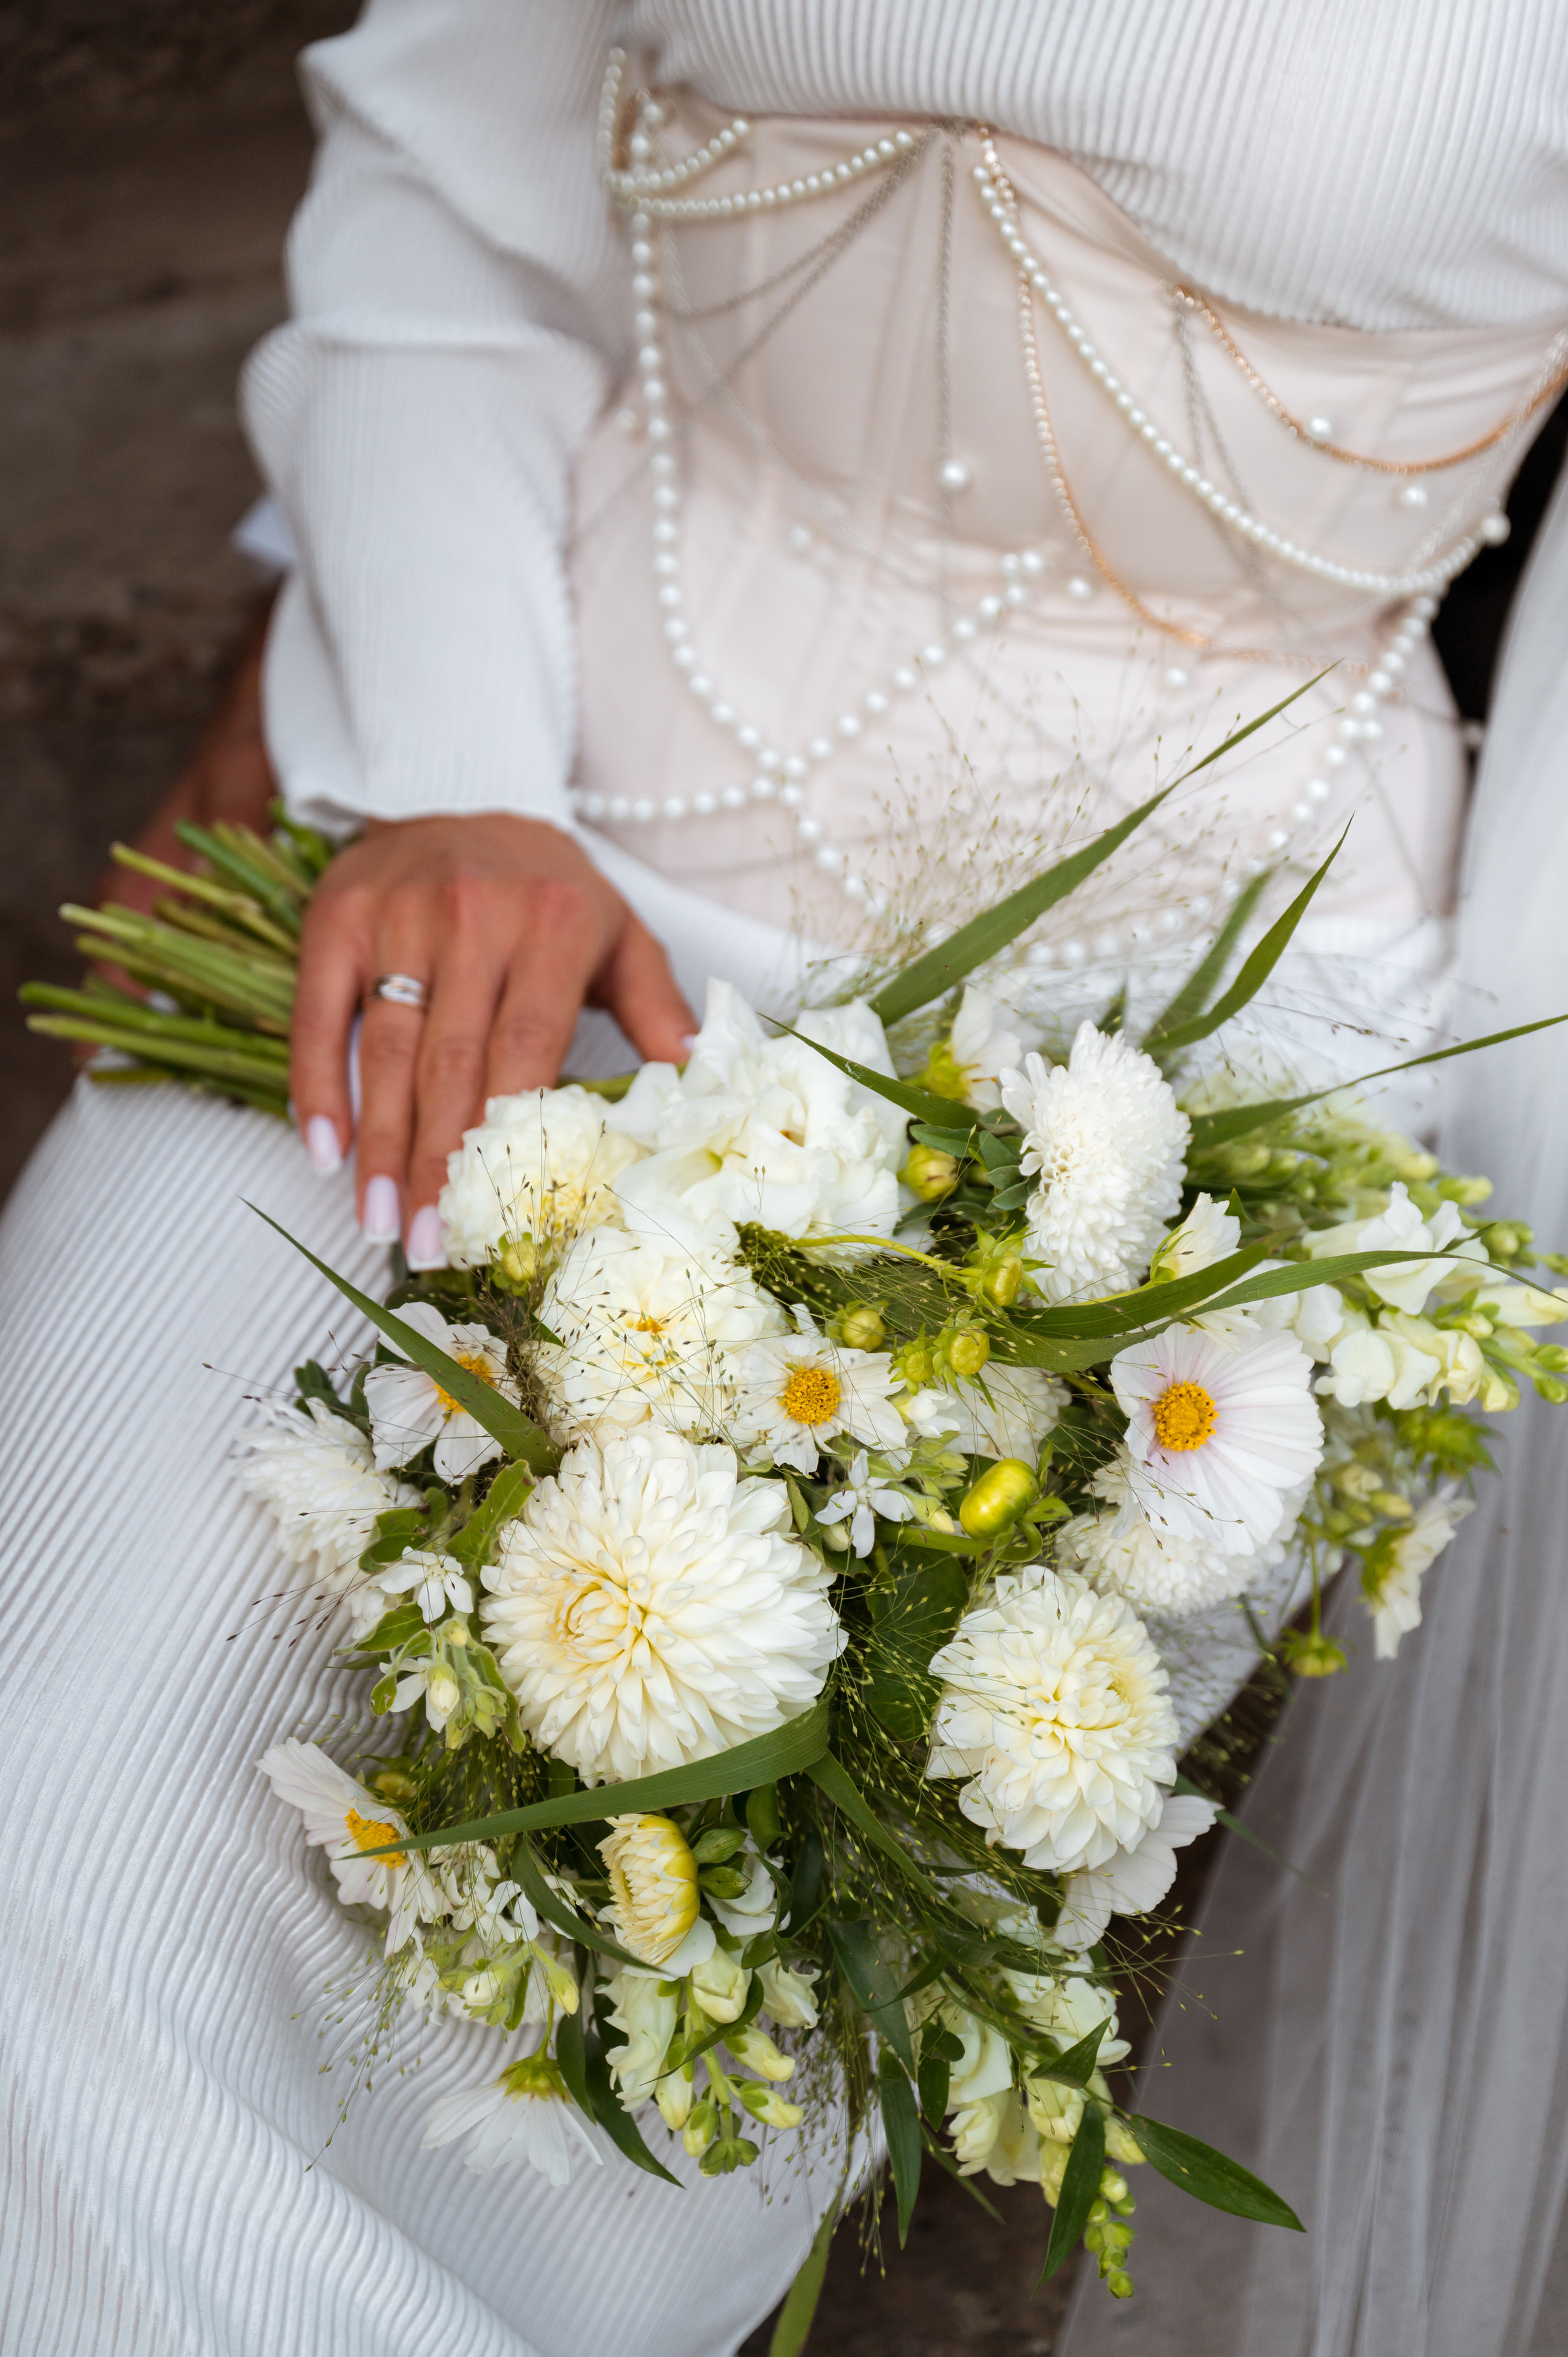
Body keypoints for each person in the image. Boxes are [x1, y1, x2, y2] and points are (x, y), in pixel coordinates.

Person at [4, 6, 1567, 2353]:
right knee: (38, 1837)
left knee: (558, 2124)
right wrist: (439, 762)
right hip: (507, 815)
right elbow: (449, 179)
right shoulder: (453, 770)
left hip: (1160, 1100)